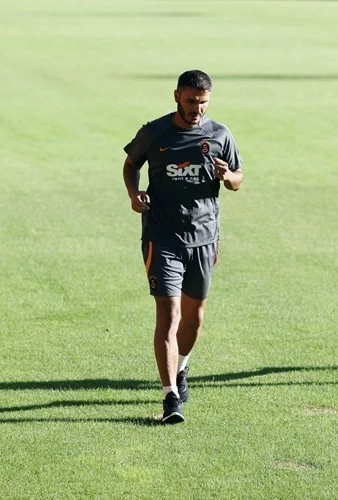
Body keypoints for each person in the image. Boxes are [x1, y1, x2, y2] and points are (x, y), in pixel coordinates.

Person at [122, 70, 243, 423]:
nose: (196, 109)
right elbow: (131, 164)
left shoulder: (220, 134)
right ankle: (170, 397)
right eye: (190, 101)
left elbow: (238, 178)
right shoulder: (154, 132)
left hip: (204, 237)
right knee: (169, 314)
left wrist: (227, 176)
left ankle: (181, 368)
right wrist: (134, 193)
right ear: (176, 96)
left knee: (195, 317)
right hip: (162, 236)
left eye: (203, 102)